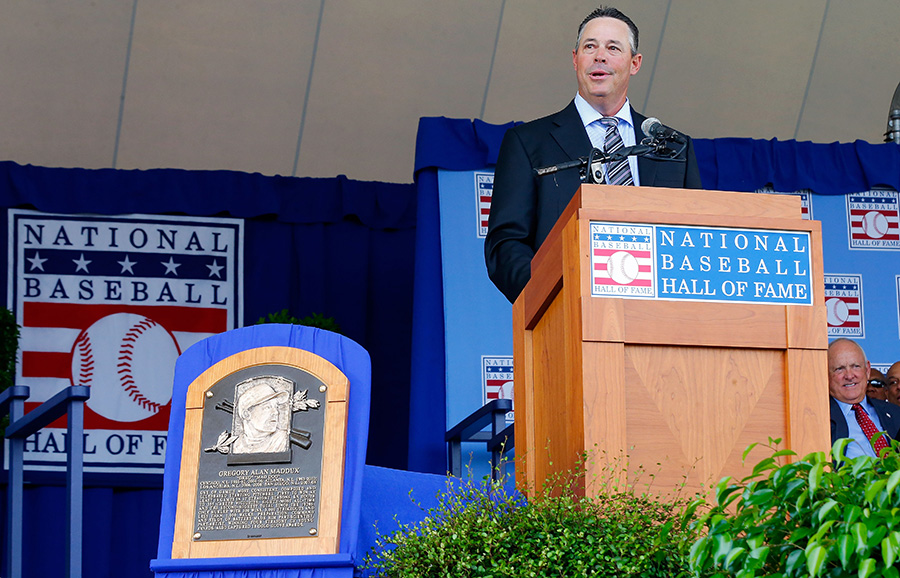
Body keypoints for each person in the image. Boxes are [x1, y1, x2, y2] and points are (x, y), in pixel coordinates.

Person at [485, 6, 702, 303]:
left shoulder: (674, 147)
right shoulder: (527, 143)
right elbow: (507, 245)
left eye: (613, 47)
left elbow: (696, 241)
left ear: (635, 63)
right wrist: (553, 299)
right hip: (568, 317)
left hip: (660, 320)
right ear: (575, 59)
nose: (600, 55)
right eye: (590, 46)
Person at [828, 339, 900, 459]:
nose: (850, 376)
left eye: (855, 366)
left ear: (867, 370)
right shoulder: (819, 419)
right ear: (826, 374)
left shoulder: (895, 413)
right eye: (839, 369)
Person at [232, 381, 291, 454]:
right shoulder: (236, 446)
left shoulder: (283, 440)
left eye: (276, 407)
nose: (276, 412)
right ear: (246, 414)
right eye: (267, 407)